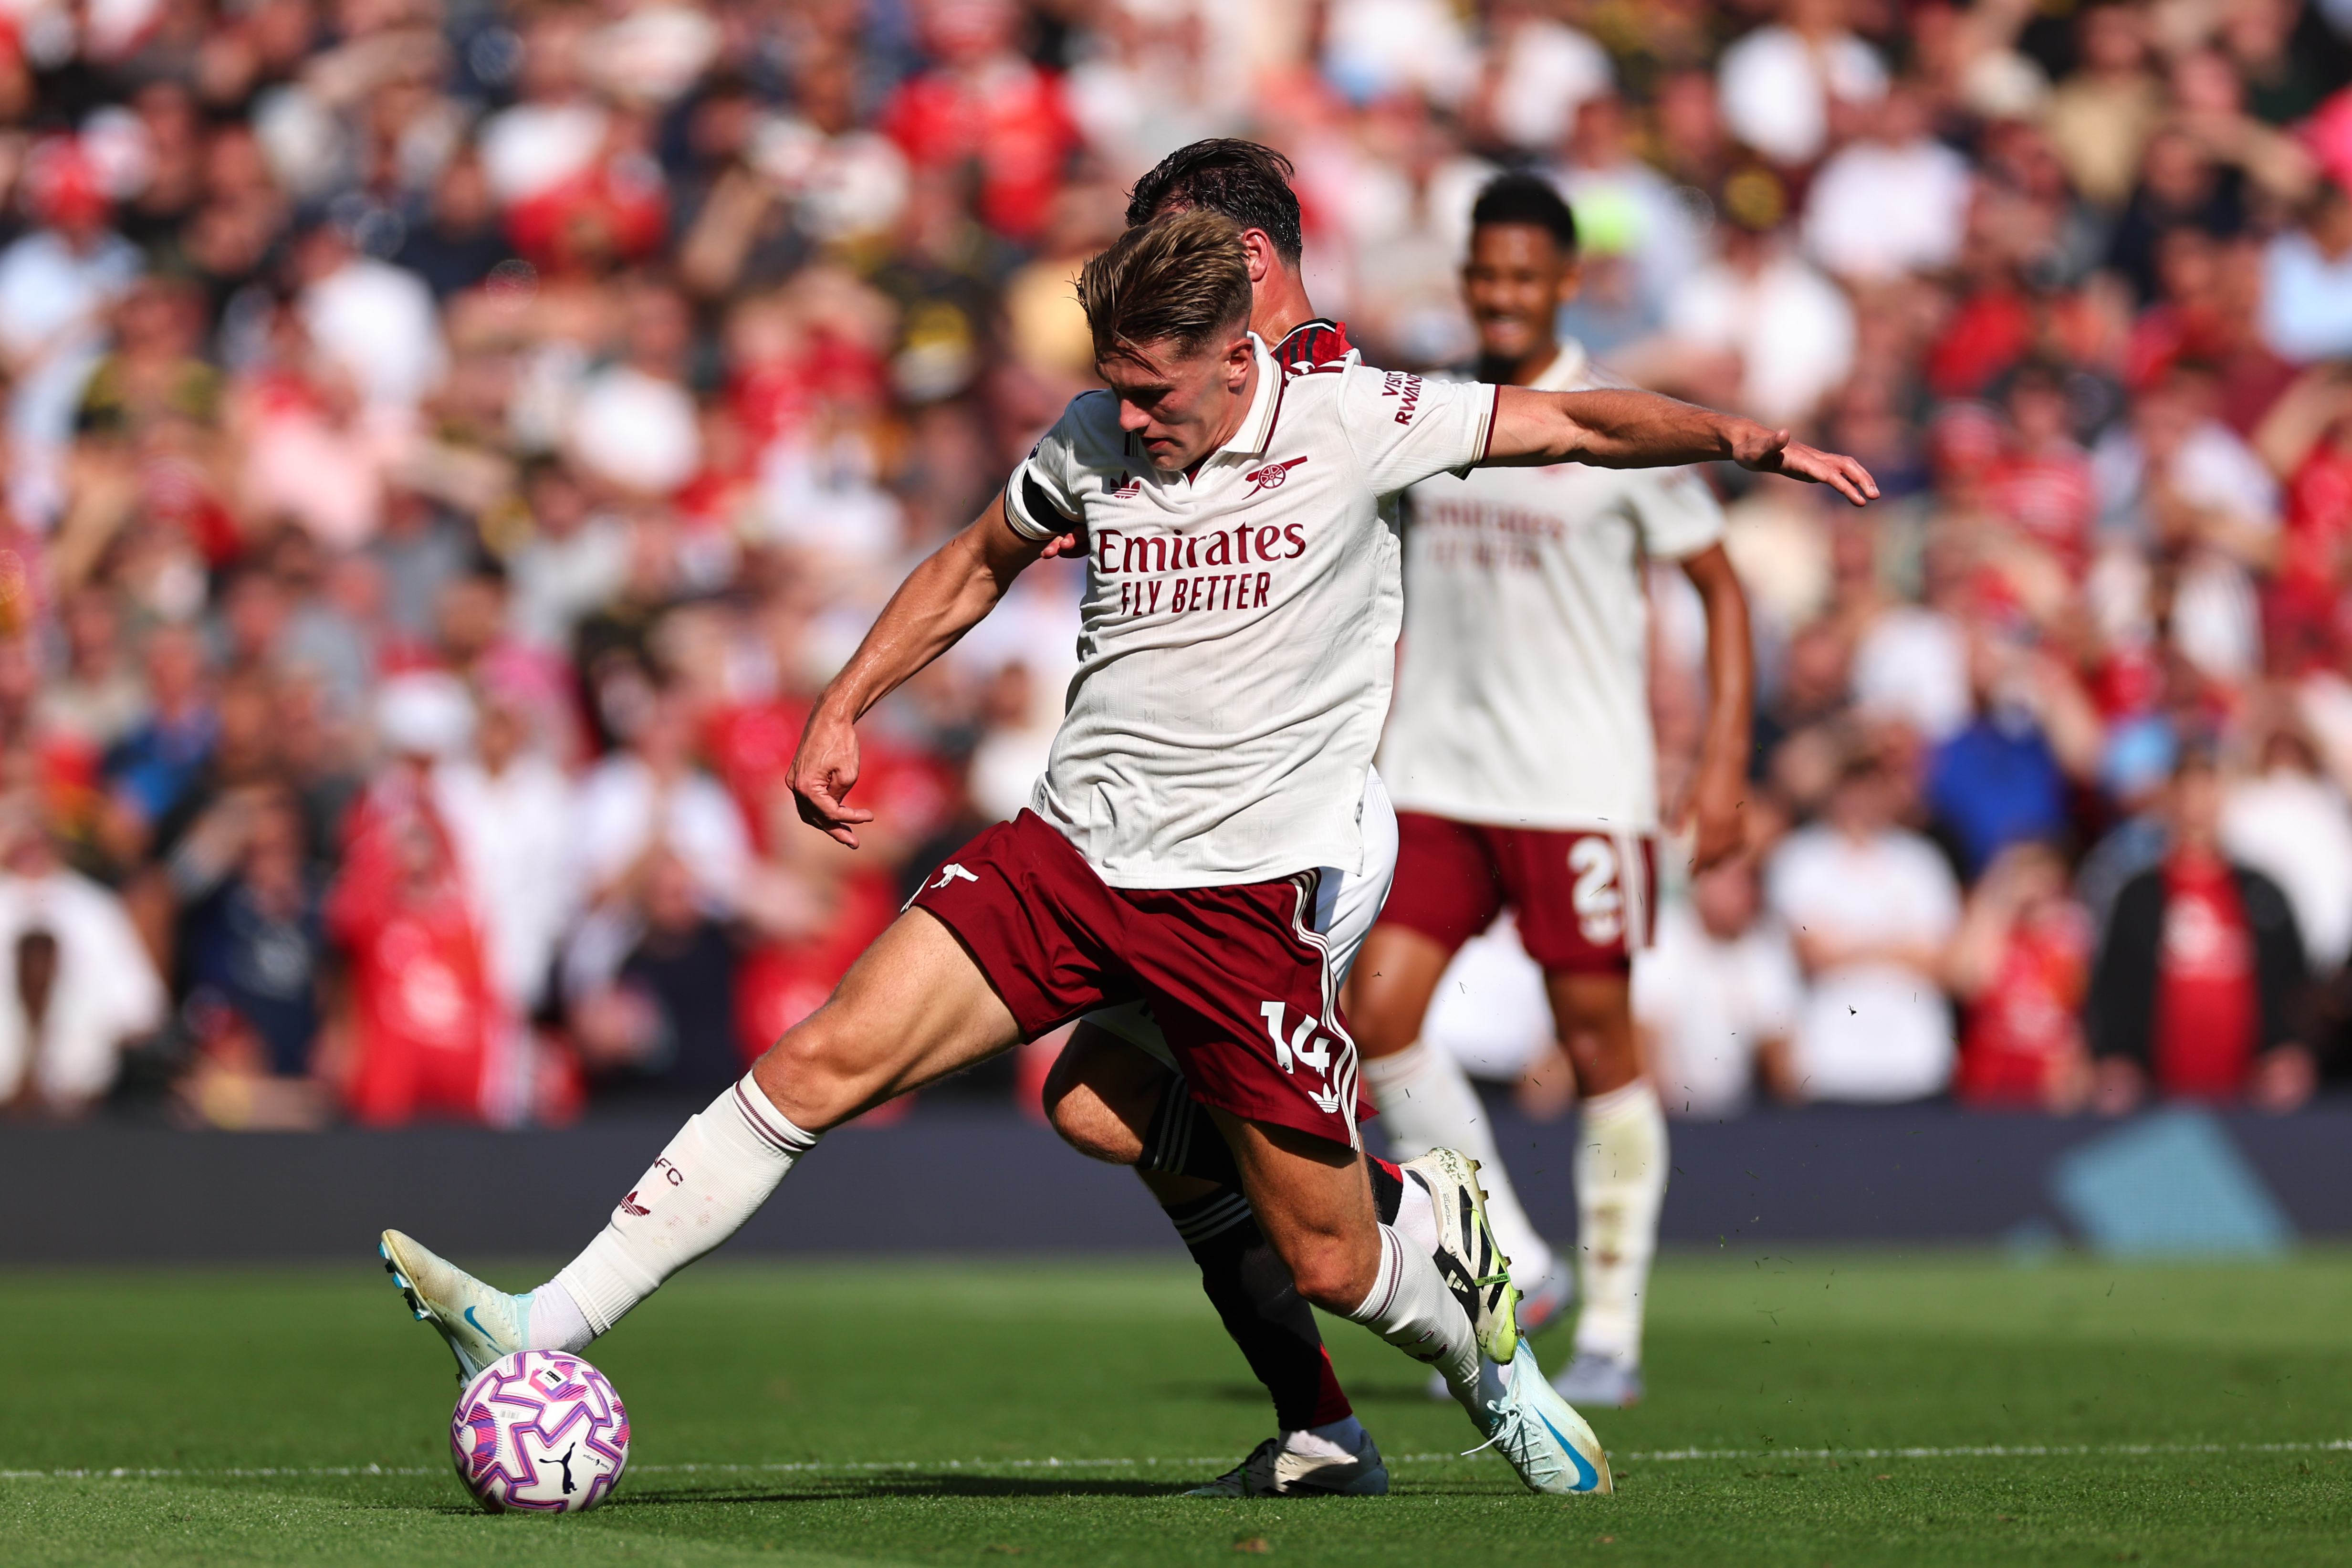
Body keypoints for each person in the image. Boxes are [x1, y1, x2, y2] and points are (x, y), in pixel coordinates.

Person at [380, 207, 1875, 1499]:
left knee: (1329, 1264)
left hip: (1238, 905)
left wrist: (1741, 440)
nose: (1131, 423)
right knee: (827, 1060)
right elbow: (976, 559)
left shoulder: (1356, 422)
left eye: (1154, 394)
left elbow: (1575, 424)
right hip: (1068, 855)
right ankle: (545, 1321)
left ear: (1238, 357)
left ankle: (1443, 1266)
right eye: (1115, 393)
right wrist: (845, 699)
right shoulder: (1093, 439)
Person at [1036, 138, 1415, 1500]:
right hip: (1183, 820)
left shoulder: (1328, 385)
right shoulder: (1197, 387)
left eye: (1170, 259)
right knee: (1094, 1103)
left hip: (1293, 823)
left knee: (1287, 1194)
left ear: (1243, 260)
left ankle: (1418, 1229)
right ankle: (1324, 1416)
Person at [1350, 173, 1756, 1411]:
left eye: (1527, 276)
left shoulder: (1616, 422)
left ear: (1566, 283)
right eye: (1487, 275)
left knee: (1597, 1045)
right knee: (1377, 1013)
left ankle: (1616, 1328)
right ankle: (1517, 1264)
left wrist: (1723, 759)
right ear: (1466, 279)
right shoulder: (1433, 412)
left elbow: (1722, 585)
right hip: (1434, 773)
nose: (1504, 294)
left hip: (1580, 784)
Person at [2086, 750, 2315, 1111]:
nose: (2196, 808)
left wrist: (2289, 1048)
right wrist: (2117, 1055)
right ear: (2170, 802)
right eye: (2187, 794)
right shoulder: (2138, 896)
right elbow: (2112, 985)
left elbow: (2295, 987)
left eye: (2206, 793)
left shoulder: (2262, 894)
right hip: (2156, 1097)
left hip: (2252, 1101)